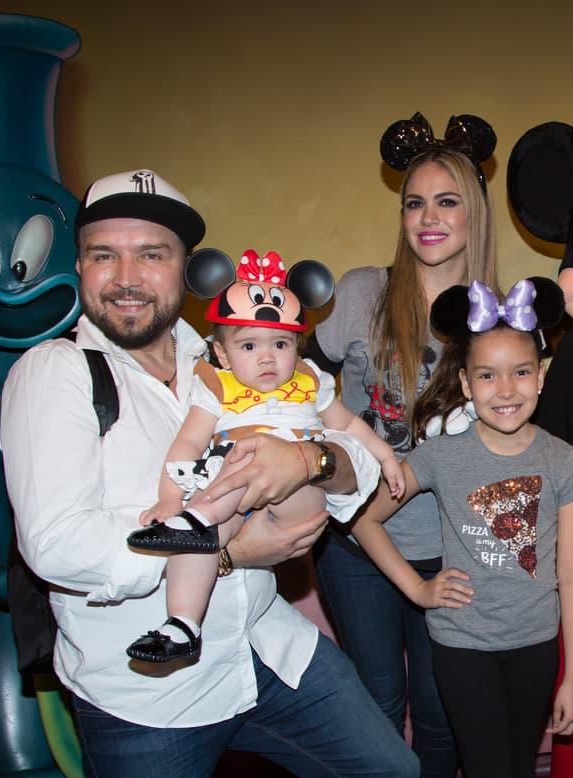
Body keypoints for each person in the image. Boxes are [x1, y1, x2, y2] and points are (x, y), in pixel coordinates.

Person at [0, 168, 421, 778]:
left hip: (264, 645)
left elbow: (354, 482)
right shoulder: (55, 376)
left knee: (389, 776)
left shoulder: (237, 350)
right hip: (146, 690)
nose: (126, 277)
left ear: (188, 269)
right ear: (78, 267)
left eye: (151, 254)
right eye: (103, 255)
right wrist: (226, 551)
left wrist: (308, 456)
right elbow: (58, 544)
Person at [351, 278, 573, 778]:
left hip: (536, 646)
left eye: (520, 372)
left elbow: (572, 574)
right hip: (464, 647)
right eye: (487, 374)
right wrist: (417, 588)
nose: (505, 388)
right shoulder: (443, 456)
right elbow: (364, 519)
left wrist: (572, 676)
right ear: (464, 381)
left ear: (541, 376)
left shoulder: (562, 460)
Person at [304, 113, 498, 778]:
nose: (427, 218)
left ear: (473, 215)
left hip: (450, 545)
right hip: (358, 543)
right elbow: (300, 393)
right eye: (415, 202)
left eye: (447, 202)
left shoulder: (493, 314)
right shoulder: (360, 296)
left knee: (445, 710)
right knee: (381, 703)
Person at [125, 253, 404, 670]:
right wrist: (168, 499)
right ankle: (182, 624)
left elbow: (348, 424)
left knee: (221, 503)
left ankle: (198, 521)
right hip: (229, 494)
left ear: (298, 345)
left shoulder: (310, 380)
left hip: (296, 498)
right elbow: (187, 443)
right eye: (249, 346)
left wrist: (386, 457)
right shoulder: (216, 387)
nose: (268, 358)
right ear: (220, 352)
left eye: (281, 344)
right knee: (201, 543)